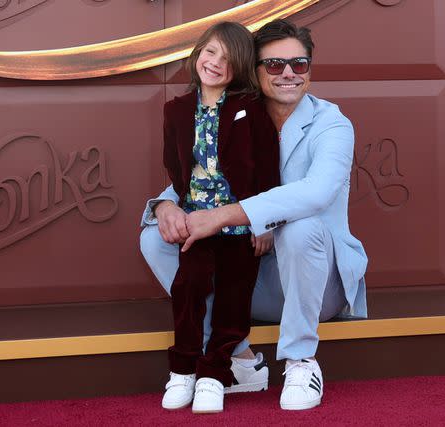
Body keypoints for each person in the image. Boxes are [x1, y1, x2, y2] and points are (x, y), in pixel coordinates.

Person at [140, 19, 367, 411]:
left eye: (300, 63)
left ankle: (301, 360)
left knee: (301, 229)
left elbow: (317, 192)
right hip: (250, 277)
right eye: (275, 65)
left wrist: (228, 215)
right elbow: (203, 176)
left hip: (314, 283)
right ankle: (236, 356)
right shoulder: (234, 112)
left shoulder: (331, 123)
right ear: (254, 71)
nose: (289, 74)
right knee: (157, 236)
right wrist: (164, 206)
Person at [156, 22, 279, 413]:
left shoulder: (252, 108)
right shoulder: (175, 110)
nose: (214, 63)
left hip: (241, 222)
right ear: (197, 54)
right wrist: (174, 206)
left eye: (226, 59)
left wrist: (265, 222)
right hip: (196, 220)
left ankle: (214, 373)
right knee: (188, 287)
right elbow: (175, 169)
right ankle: (183, 370)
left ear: (239, 67)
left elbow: (267, 171)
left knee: (233, 297)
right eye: (210, 52)